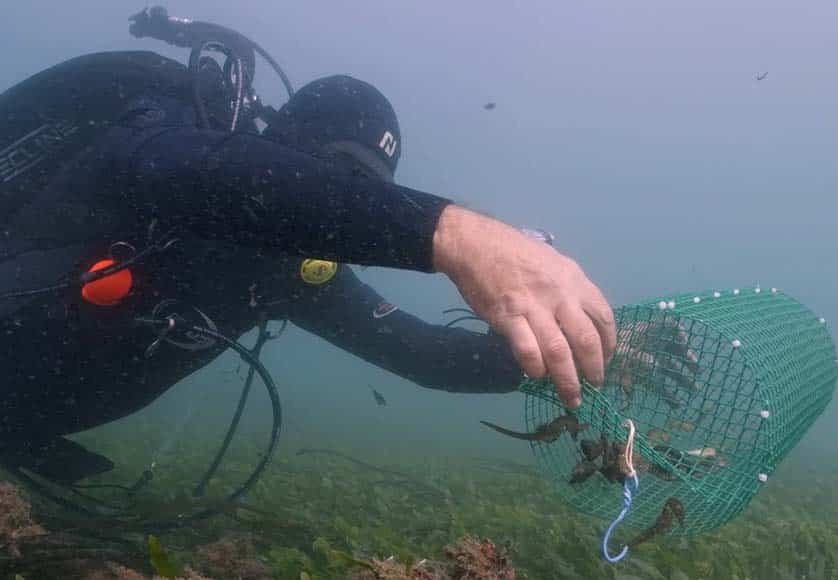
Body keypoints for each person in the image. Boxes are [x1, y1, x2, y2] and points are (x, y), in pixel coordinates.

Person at [0, 24, 615, 484]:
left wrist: (575, 350)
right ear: (277, 151)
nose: (331, 218)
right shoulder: (166, 155)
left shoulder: (291, 275)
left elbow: (427, 355)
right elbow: (181, 168)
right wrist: (455, 235)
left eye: (364, 192)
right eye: (332, 178)